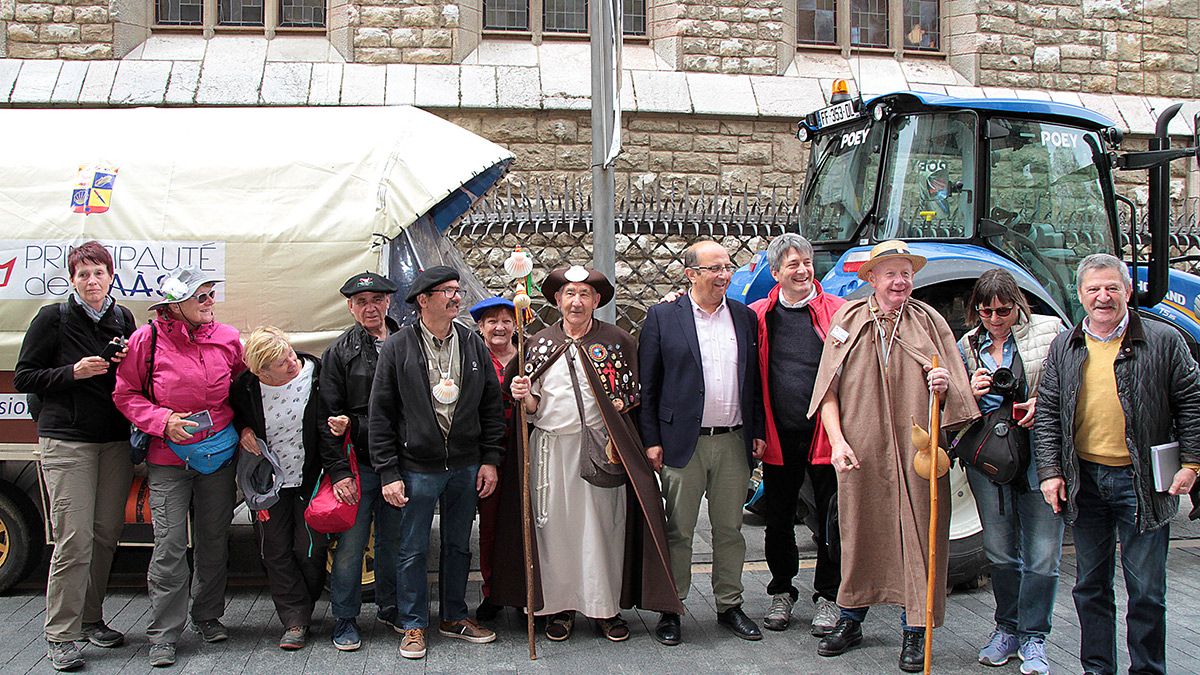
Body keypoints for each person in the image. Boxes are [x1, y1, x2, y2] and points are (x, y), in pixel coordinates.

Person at [809, 240, 977, 673]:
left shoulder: (930, 322)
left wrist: (942, 384)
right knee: (858, 531)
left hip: (917, 449)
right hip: (860, 449)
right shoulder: (847, 319)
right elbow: (827, 391)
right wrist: (838, 442)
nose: (900, 281)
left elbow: (957, 390)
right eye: (890, 273)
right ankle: (851, 618)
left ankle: (915, 629)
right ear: (871, 279)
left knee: (919, 536)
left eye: (906, 273)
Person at [495, 264, 683, 642]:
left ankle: (603, 608)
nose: (576, 301)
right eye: (569, 294)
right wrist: (524, 395)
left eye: (584, 295)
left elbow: (631, 402)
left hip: (602, 450)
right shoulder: (539, 344)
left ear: (596, 301)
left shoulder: (617, 341)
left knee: (602, 530)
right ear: (557, 300)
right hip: (550, 451)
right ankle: (560, 609)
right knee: (556, 534)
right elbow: (532, 408)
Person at [1034, 253, 1200, 675]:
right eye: (1093, 289)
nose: (1102, 297)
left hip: (1142, 482)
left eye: (1111, 288)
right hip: (1085, 481)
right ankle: (1097, 669)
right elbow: (1050, 414)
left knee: (1146, 591)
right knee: (1090, 587)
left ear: (1127, 291)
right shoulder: (1066, 345)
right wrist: (1052, 473)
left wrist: (1192, 463)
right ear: (1080, 295)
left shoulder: (1164, 340)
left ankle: (1147, 670)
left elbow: (1193, 404)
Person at [369, 266, 504, 660]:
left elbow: (491, 406)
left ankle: (453, 616)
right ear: (423, 300)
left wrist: (490, 460)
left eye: (457, 290)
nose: (456, 297)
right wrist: (389, 472)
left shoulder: (472, 343)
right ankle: (413, 624)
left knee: (459, 545)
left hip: (465, 463)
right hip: (416, 466)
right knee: (411, 548)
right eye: (446, 291)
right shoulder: (398, 347)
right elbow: (382, 414)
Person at [113, 266, 244, 668]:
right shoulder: (145, 340)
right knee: (169, 547)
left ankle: (207, 615)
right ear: (174, 306)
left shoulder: (227, 338)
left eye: (210, 294)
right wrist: (162, 421)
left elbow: (243, 390)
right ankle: (165, 633)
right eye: (199, 296)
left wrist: (250, 430)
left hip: (218, 457)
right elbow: (126, 393)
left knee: (213, 540)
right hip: (168, 459)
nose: (209, 302)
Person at [14, 241, 135, 672]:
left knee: (105, 534)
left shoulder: (123, 318)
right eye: (82, 274)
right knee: (74, 537)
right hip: (67, 440)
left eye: (98, 272)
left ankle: (90, 619)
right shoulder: (53, 318)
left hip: (113, 441)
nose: (91, 280)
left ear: (111, 275)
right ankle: (60, 635)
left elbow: (129, 381)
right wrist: (73, 372)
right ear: (72, 279)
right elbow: (23, 375)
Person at [640, 241, 766, 645]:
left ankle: (729, 604)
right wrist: (651, 440)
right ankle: (672, 608)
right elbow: (649, 385)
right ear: (690, 273)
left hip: (733, 441)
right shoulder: (662, 317)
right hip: (681, 443)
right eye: (714, 268)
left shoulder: (745, 318)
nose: (724, 275)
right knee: (679, 530)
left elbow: (755, 381)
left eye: (727, 267)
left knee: (729, 529)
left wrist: (758, 430)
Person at [956, 269, 1065, 674]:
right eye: (986, 312)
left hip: (1041, 452)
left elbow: (1075, 384)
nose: (996, 319)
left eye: (1004, 310)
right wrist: (971, 388)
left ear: (1018, 304)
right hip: (991, 456)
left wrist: (1043, 403)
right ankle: (1007, 628)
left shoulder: (1050, 331)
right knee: (1000, 552)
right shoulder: (968, 344)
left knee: (1042, 554)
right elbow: (952, 401)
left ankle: (1034, 637)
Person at [746, 234, 845, 635]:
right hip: (779, 433)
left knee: (830, 519)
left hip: (826, 432)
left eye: (807, 262)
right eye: (793, 265)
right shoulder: (757, 314)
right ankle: (782, 590)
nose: (803, 270)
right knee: (779, 518)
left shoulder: (839, 312)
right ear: (775, 273)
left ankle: (829, 597)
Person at [318, 271, 401, 651]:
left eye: (377, 299)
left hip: (402, 463)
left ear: (388, 302)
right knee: (351, 546)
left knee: (395, 541)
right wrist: (338, 472)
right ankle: (345, 618)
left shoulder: (408, 342)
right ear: (350, 307)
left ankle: (391, 606)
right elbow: (326, 418)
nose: (370, 307)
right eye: (361, 301)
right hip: (359, 464)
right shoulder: (338, 353)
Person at [230, 326, 327, 651]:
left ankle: (305, 600)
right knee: (274, 549)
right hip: (270, 482)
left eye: (288, 352)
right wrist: (242, 430)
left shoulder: (316, 375)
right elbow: (235, 417)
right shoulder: (245, 387)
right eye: (280, 361)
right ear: (261, 371)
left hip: (310, 477)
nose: (290, 361)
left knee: (308, 548)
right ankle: (295, 619)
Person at [468, 296, 517, 622]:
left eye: (506, 321)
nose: (499, 327)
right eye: (491, 322)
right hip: (486, 452)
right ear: (481, 327)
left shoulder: (529, 357)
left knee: (527, 524)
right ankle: (493, 590)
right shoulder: (472, 358)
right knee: (491, 525)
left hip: (525, 450)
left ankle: (526, 590)